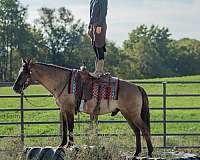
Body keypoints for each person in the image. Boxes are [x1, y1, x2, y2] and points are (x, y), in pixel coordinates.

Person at [88, 0, 108, 77]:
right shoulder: (92, 0)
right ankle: (96, 70)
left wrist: (99, 25)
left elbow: (103, 12)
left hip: (100, 25)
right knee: (94, 46)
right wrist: (89, 27)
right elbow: (91, 14)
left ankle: (99, 71)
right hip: (93, 25)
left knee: (99, 46)